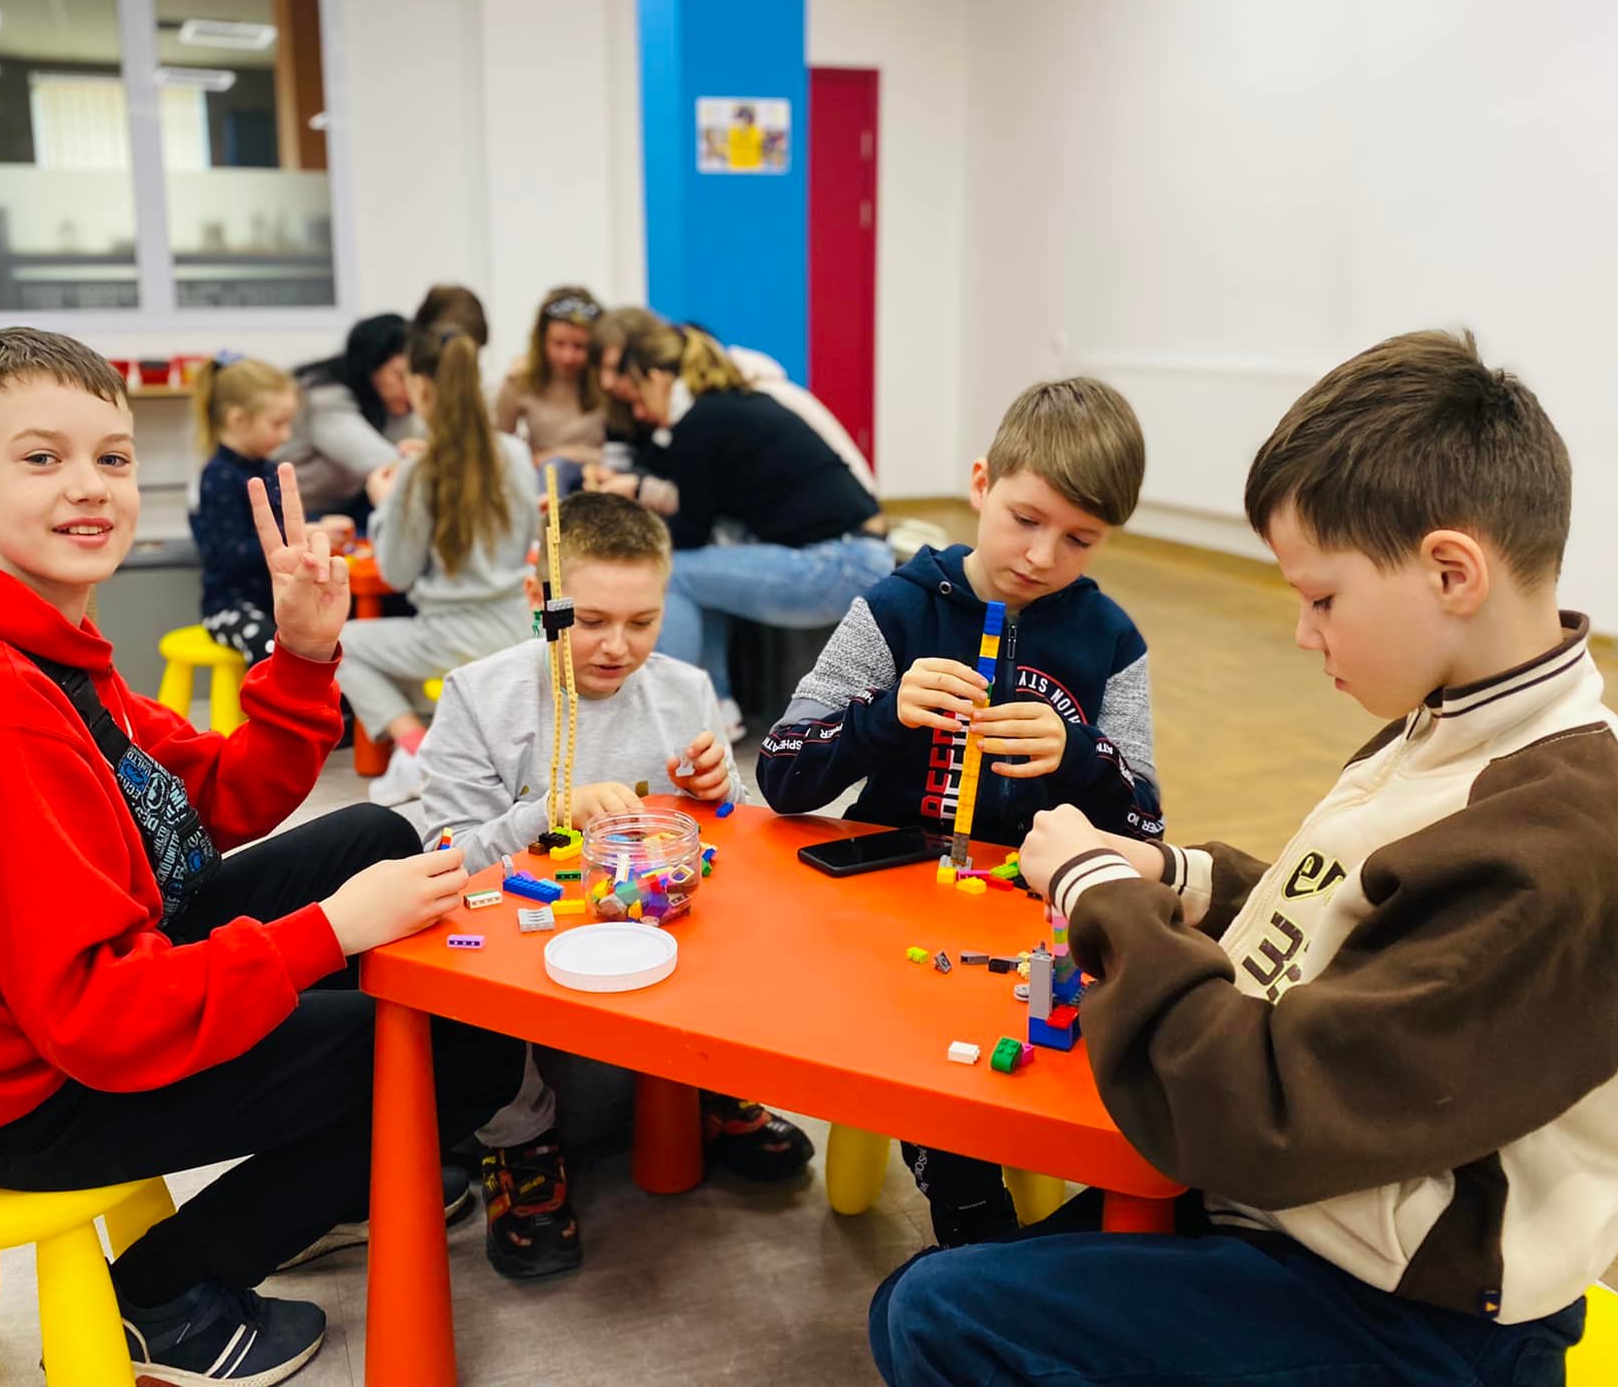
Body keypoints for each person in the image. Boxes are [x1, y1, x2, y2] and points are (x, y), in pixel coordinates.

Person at [869, 332, 1618, 1387]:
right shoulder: (1460, 723)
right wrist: (1181, 878)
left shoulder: (1552, 835)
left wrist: (1097, 892)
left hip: (1412, 1315)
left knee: (941, 1318)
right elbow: (1351, 917)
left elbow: (1254, 1111)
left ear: (1450, 572)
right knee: (939, 1287)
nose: (1306, 635)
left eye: (1322, 599)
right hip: (1313, 1222)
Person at [0, 327, 524, 1386]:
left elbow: (222, 796)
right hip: (20, 1094)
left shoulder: (39, 645)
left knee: (375, 839)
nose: (87, 486)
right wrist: (330, 932)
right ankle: (161, 1299)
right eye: (41, 458)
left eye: (110, 457)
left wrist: (302, 650)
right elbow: (95, 1012)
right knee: (451, 1048)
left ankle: (340, 1168)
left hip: (48, 1023)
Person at [757, 376, 1162, 1247]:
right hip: (890, 914)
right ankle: (969, 1202)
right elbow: (782, 774)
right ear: (982, 483)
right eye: (1026, 518)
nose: (1043, 556)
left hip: (1032, 915)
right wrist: (882, 716)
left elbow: (1147, 828)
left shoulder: (1112, 640)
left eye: (1080, 539)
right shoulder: (895, 608)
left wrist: (1080, 753)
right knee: (920, 1025)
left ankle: (1012, 1205)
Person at [415, 490, 817, 1277]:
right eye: (592, 620)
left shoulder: (685, 688)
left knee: (749, 914)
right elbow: (443, 862)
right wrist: (546, 812)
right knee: (452, 960)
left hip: (649, 937)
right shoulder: (478, 695)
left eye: (643, 622)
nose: (616, 647)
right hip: (524, 962)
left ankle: (710, 1086)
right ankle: (521, 1144)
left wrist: (718, 794)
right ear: (538, 597)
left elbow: (733, 840)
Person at [589, 323, 893, 741]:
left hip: (841, 563)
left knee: (672, 572)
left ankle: (665, 712)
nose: (639, 413)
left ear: (657, 378)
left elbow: (690, 529)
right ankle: (717, 706)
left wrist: (624, 548)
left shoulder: (700, 422)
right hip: (854, 555)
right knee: (701, 574)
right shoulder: (730, 406)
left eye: (638, 397)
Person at [344, 325, 539, 804]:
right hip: (521, 628)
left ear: (420, 386)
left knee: (338, 645)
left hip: (451, 635)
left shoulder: (419, 474)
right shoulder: (515, 454)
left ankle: (417, 749)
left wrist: (385, 503)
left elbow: (396, 573)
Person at [591, 304, 877, 495]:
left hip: (841, 529)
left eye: (618, 369)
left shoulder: (728, 403)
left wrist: (639, 486)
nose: (607, 383)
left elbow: (699, 512)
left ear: (653, 372)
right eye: (600, 370)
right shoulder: (701, 405)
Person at [190, 357, 354, 666]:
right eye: (277, 424)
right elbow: (232, 553)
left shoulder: (268, 468)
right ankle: (273, 700)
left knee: (333, 632)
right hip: (230, 606)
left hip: (277, 599)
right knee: (270, 646)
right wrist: (300, 537)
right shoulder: (218, 476)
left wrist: (315, 528)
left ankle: (327, 699)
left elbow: (284, 524)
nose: (286, 435)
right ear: (239, 420)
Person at [279, 313, 421, 523]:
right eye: (399, 376)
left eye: (416, 378)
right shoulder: (324, 398)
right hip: (298, 511)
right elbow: (384, 463)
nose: (410, 389)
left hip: (345, 505)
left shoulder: (390, 402)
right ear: (370, 367)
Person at [494, 285, 608, 493]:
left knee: (556, 466)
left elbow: (628, 456)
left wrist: (561, 454)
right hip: (542, 484)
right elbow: (498, 447)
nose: (567, 357)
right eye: (558, 344)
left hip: (600, 483)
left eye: (579, 346)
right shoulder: (520, 379)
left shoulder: (608, 379)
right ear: (541, 341)